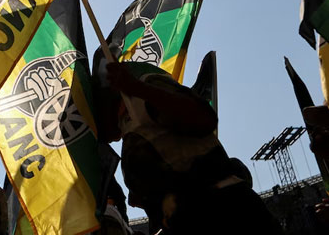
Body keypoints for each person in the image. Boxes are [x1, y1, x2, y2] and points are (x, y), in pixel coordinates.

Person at [102, 61, 282, 235]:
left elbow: (203, 118)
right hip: (188, 220)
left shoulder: (143, 92)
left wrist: (137, 89)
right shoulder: (129, 125)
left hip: (221, 212)